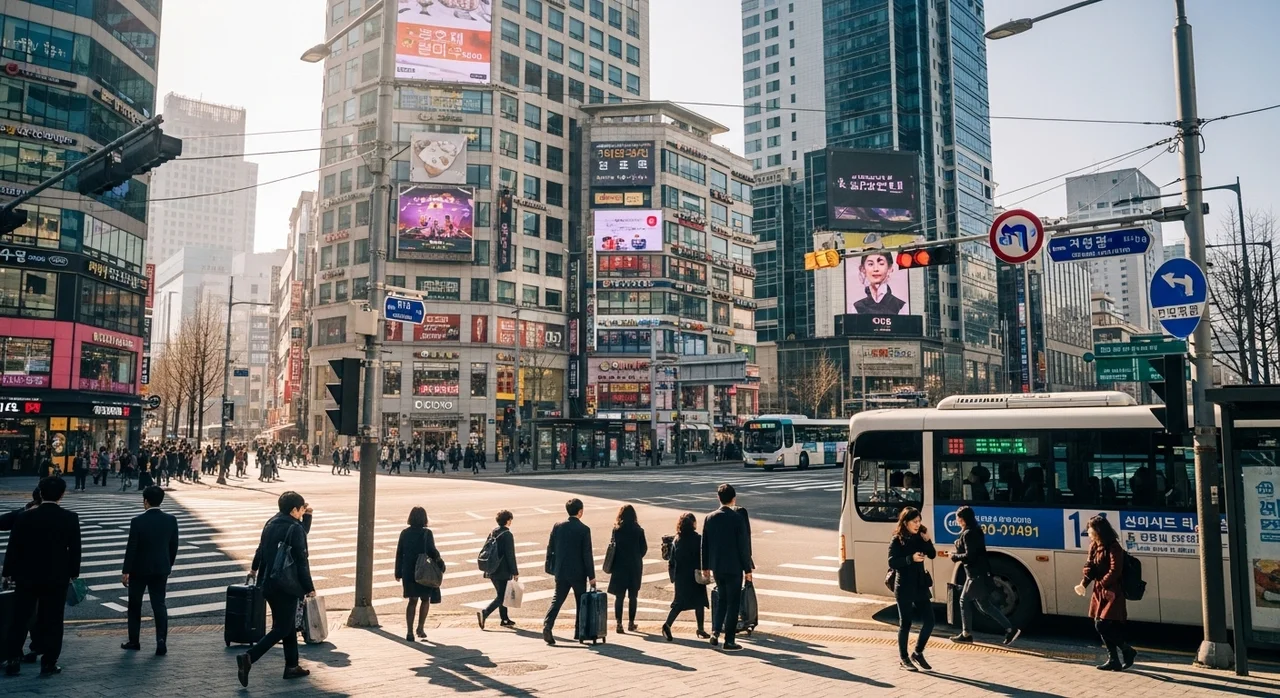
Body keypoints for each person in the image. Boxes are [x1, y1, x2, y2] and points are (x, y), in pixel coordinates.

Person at [2, 476, 82, 677]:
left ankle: (13, 659)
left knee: (20, 618)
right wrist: (72, 573)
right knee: (53, 620)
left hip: (26, 576)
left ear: (40, 493)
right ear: (62, 495)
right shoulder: (70, 518)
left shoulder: (24, 517)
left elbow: (14, 547)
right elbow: (75, 551)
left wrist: (8, 573)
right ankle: (49, 662)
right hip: (56, 578)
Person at [237, 492, 315, 686]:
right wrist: (309, 588)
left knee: (287, 625)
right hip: (287, 586)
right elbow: (301, 560)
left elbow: (260, 549)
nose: (303, 511)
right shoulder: (295, 528)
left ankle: (292, 666)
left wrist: (254, 570)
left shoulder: (271, 522)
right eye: (301, 509)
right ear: (294, 510)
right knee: (281, 627)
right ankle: (248, 657)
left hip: (268, 583)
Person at [942, 506, 1019, 646]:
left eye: (958, 518)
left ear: (963, 519)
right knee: (985, 605)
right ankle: (1010, 629)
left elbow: (970, 555)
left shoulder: (969, 533)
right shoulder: (974, 530)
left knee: (964, 601)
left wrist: (955, 556)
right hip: (978, 573)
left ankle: (966, 634)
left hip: (975, 574)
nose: (957, 521)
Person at [121, 486, 179, 655]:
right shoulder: (171, 520)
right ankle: (161, 641)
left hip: (139, 570)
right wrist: (168, 563)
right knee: (159, 604)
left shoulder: (137, 521)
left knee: (135, 605)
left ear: (145, 501)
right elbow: (173, 545)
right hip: (161, 568)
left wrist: (126, 571)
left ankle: (134, 641)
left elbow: (132, 548)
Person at [1077, 514, 1136, 671]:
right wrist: (1085, 580)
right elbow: (1089, 565)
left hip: (1112, 590)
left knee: (1102, 625)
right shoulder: (1094, 546)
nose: (1089, 533)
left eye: (1090, 531)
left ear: (1098, 530)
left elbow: (1115, 570)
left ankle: (1127, 650)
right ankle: (1114, 659)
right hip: (1099, 589)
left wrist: (1103, 583)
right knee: (1102, 623)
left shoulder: (1113, 547)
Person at [701, 484, 753, 651]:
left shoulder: (709, 518)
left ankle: (715, 632)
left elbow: (705, 544)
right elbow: (743, 546)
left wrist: (705, 566)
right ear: (734, 499)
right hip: (734, 566)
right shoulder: (737, 518)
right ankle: (729, 640)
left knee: (722, 599)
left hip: (717, 566)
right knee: (733, 603)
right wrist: (748, 570)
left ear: (718, 498)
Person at [888, 506, 936, 672]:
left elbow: (932, 554)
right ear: (906, 522)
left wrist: (927, 539)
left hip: (920, 584)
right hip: (904, 586)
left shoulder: (920, 536)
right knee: (906, 623)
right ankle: (904, 658)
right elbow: (892, 562)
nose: (918, 524)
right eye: (914, 521)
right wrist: (910, 558)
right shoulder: (897, 539)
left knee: (930, 621)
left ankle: (918, 652)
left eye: (919, 521)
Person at [542, 498, 595, 646]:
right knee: (581, 603)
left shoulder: (558, 526)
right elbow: (587, 554)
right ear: (580, 511)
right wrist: (592, 576)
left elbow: (550, 547)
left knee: (557, 599)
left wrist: (551, 566)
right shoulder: (584, 529)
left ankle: (547, 626)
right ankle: (579, 632)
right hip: (578, 572)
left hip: (561, 570)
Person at [394, 507, 443, 642]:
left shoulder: (404, 533)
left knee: (412, 601)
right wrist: (440, 563)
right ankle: (420, 628)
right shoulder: (427, 533)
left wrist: (398, 572)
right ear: (424, 518)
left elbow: (399, 552)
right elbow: (432, 551)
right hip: (424, 570)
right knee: (425, 599)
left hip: (409, 571)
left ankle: (409, 631)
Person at [662, 513, 710, 641]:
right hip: (695, 575)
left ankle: (667, 625)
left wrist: (673, 576)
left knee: (679, 603)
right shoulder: (698, 538)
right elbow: (703, 556)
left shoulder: (677, 539)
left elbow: (672, 560)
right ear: (693, 524)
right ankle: (700, 628)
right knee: (699, 601)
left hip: (681, 576)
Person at [606, 504, 648, 634]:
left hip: (619, 566)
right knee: (633, 596)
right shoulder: (639, 530)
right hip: (634, 566)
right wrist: (636, 556)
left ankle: (619, 623)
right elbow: (644, 548)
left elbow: (613, 545)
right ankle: (631, 622)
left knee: (619, 596)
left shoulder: (616, 530)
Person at [477, 510, 519, 630]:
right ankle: (485, 613)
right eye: (510, 519)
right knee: (502, 596)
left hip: (492, 568)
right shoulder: (507, 535)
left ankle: (504, 619)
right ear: (508, 520)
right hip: (503, 570)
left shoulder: (494, 532)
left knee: (502, 594)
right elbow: (510, 555)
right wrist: (515, 572)